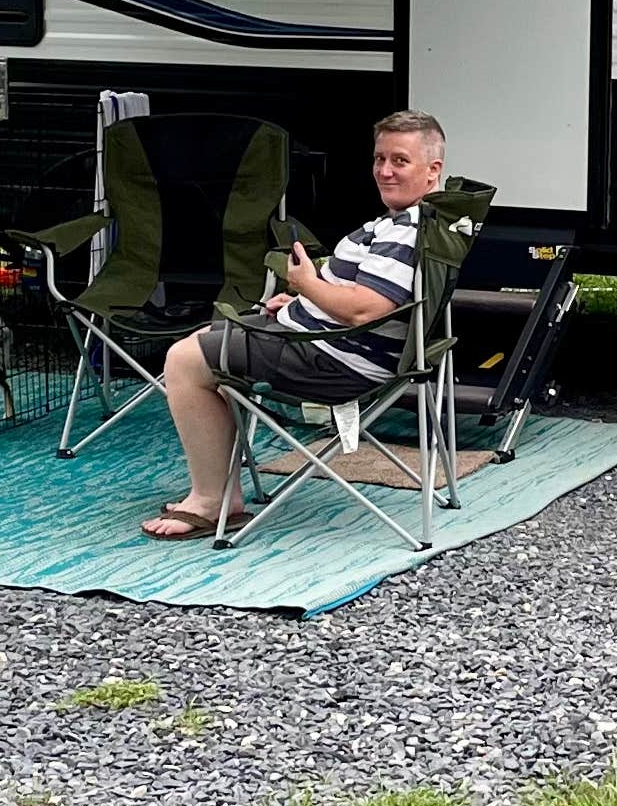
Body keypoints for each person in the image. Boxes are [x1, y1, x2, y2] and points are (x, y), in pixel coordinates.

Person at [141, 112, 446, 540]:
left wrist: (308, 284)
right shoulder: (416, 221)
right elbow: (366, 297)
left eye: (400, 160)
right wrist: (307, 299)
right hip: (328, 340)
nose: (385, 170)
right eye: (379, 158)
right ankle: (219, 487)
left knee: (185, 361)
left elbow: (365, 310)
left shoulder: (407, 230)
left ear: (433, 169)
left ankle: (213, 502)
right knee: (203, 341)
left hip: (336, 359)